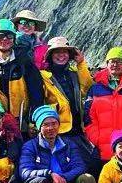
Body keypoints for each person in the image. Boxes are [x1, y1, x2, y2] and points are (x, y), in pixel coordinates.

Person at [0, 19, 45, 134]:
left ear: (14, 39)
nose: (5, 39)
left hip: (23, 123)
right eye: (0, 36)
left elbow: (36, 92)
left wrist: (33, 119)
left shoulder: (24, 61)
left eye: (9, 36)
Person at [37, 36, 97, 168]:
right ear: (50, 55)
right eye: (57, 52)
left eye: (64, 52)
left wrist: (81, 63)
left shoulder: (74, 73)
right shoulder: (43, 77)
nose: (61, 55)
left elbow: (87, 88)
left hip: (77, 129)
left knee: (89, 163)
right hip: (58, 132)